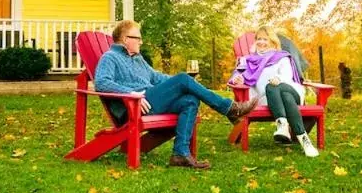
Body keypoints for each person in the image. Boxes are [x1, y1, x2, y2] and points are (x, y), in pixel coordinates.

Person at [95, 19, 258, 169]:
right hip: (133, 106)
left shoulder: (137, 58)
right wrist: (131, 93)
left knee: (190, 99)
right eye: (138, 38)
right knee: (183, 79)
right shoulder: (110, 57)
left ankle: (180, 154)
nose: (141, 41)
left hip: (150, 102)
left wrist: (187, 83)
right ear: (125, 39)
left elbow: (156, 77)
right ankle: (229, 108)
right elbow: (101, 83)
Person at [229, 26, 319, 157]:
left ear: (272, 42)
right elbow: (237, 75)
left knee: (275, 87)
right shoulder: (247, 60)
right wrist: (237, 79)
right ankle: (304, 140)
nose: (261, 42)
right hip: (266, 98)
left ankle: (282, 126)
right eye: (259, 39)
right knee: (278, 92)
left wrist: (279, 79)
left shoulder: (282, 57)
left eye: (265, 39)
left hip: (290, 89)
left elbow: (287, 77)